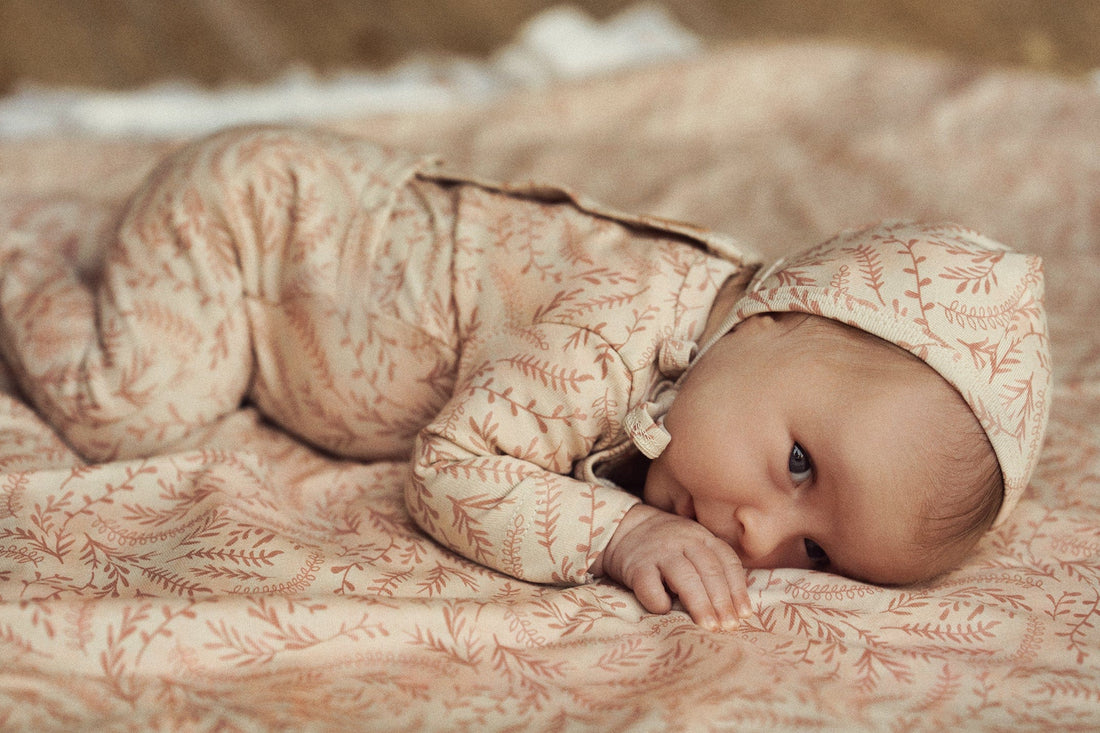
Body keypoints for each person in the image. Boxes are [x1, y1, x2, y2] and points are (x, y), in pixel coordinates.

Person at [0, 125, 1051, 631]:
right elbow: (451, 467)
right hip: (253, 224)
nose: (757, 538)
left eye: (816, 552)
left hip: (300, 252)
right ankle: (24, 253)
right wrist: (616, 531)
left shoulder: (726, 368)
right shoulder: (609, 329)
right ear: (776, 312)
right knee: (138, 408)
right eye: (794, 463)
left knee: (185, 380)